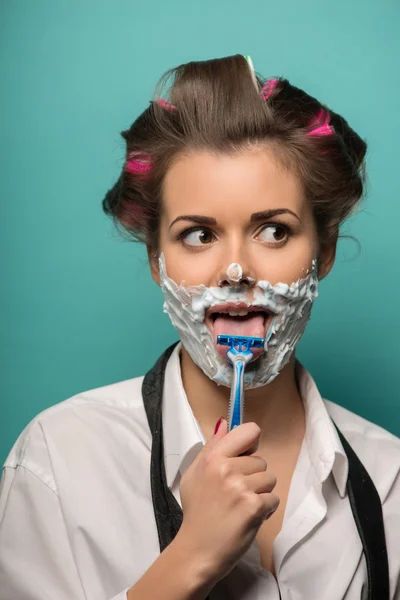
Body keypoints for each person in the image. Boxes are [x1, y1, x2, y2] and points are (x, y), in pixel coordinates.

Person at [0, 54, 399, 600]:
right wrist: (190, 560)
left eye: (274, 232)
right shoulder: (60, 461)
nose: (236, 271)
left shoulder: (391, 481)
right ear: (156, 261)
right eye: (197, 235)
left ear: (323, 251)